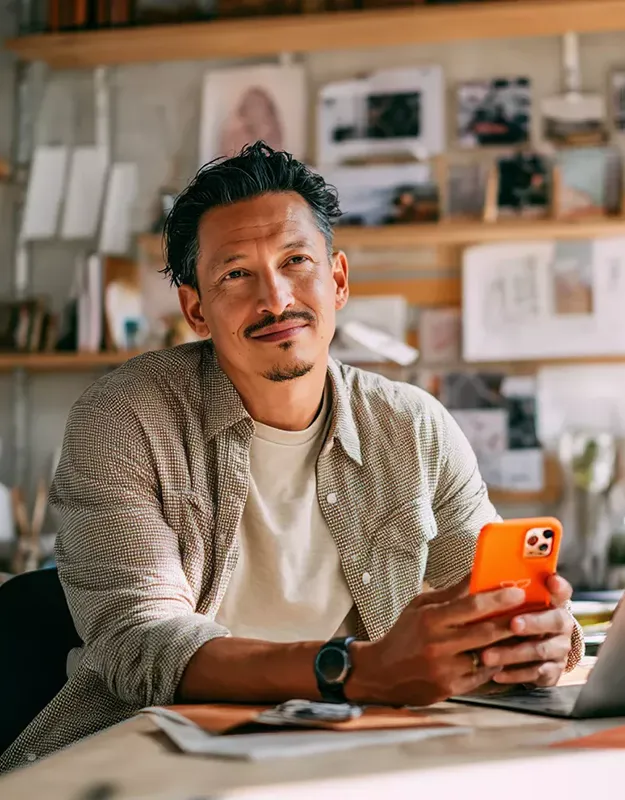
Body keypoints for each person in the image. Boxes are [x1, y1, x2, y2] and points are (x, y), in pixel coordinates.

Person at [0, 142, 582, 773]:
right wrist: (357, 671)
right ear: (197, 308)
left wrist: (531, 641)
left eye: (295, 260)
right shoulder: (122, 420)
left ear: (337, 279)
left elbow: (478, 597)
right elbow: (139, 641)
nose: (275, 300)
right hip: (147, 759)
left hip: (352, 752)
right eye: (235, 275)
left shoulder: (415, 427)